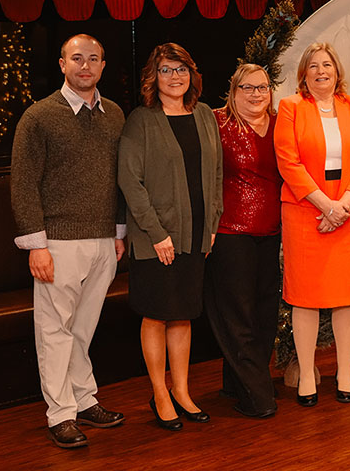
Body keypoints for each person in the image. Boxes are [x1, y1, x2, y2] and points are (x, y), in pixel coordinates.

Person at [11, 34, 126, 448]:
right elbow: (23, 184)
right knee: (54, 331)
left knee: (82, 330)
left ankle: (84, 398)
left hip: (102, 241)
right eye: (77, 58)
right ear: (62, 64)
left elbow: (119, 179)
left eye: (93, 59)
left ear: (102, 65)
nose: (85, 66)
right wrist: (36, 245)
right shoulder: (39, 117)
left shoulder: (114, 114)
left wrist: (118, 231)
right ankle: (60, 414)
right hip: (56, 243)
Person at [118, 43, 223, 431]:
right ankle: (159, 393)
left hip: (196, 236)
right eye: (166, 70)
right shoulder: (141, 120)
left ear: (192, 74)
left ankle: (181, 391)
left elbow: (215, 175)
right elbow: (130, 181)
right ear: (153, 76)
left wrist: (212, 222)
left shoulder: (205, 115)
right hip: (155, 240)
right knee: (157, 313)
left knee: (183, 314)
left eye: (181, 69)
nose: (175, 77)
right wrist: (157, 232)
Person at [274, 42, 350, 406]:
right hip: (306, 214)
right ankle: (306, 373)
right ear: (304, 74)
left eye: (327, 65)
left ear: (337, 71)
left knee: (346, 298)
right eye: (313, 66)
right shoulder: (290, 108)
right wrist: (324, 205)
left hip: (348, 215)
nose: (321, 71)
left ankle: (345, 372)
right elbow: (288, 162)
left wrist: (343, 206)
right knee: (305, 298)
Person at [205, 63, 282, 418]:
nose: (255, 94)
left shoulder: (282, 124)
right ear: (233, 92)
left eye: (262, 87)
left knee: (265, 314)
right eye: (247, 88)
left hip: (272, 232)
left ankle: (237, 382)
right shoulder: (217, 124)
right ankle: (258, 395)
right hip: (229, 232)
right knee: (237, 316)